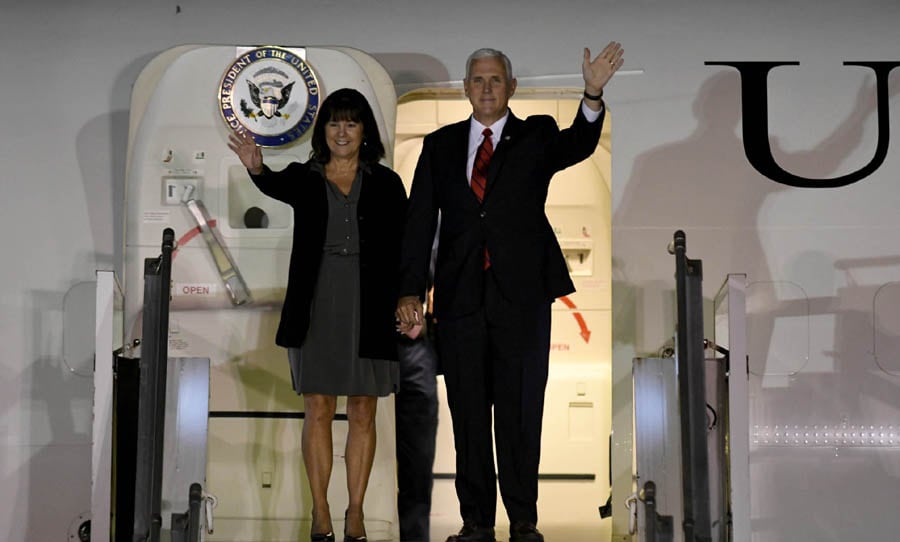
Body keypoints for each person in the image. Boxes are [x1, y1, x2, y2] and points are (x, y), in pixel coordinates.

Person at [395, 43, 624, 542]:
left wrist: (592, 92)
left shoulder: (536, 134)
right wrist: (410, 290)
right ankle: (475, 521)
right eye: (477, 80)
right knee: (469, 414)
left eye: (496, 80)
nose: (486, 88)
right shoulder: (439, 145)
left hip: (522, 296)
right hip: (459, 299)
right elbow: (418, 225)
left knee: (521, 410)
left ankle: (523, 520)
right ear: (466, 88)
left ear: (511, 87)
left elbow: (580, 144)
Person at [228, 87, 407, 542]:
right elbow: (271, 183)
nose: (341, 131)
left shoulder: (387, 183)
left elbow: (406, 246)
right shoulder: (304, 177)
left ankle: (357, 514)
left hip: (371, 302)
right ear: (322, 131)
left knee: (364, 409)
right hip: (317, 302)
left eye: (351, 122)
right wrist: (254, 167)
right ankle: (321, 512)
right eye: (333, 122)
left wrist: (410, 298)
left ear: (365, 130)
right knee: (319, 407)